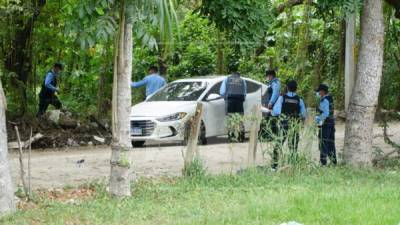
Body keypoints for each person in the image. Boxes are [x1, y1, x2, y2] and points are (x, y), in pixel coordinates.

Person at [271, 80, 306, 169]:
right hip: (294, 125)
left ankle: (274, 166)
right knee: (293, 146)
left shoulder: (282, 98)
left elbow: (276, 111)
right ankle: (293, 165)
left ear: (287, 88)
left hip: (284, 124)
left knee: (278, 145)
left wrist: (272, 113)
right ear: (296, 89)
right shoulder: (299, 100)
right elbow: (303, 114)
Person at [219, 70, 247, 142]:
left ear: (232, 73)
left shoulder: (227, 79)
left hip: (230, 102)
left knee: (230, 120)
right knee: (240, 120)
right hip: (239, 103)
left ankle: (231, 138)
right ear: (239, 74)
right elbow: (244, 93)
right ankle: (241, 138)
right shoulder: (242, 80)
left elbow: (222, 92)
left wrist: (225, 96)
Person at [315, 84, 337, 166]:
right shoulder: (330, 99)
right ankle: (334, 162)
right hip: (331, 124)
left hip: (325, 124)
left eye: (319, 91)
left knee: (323, 144)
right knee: (331, 143)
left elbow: (325, 114)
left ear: (323, 91)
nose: (318, 93)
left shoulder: (324, 100)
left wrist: (317, 119)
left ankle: (323, 163)